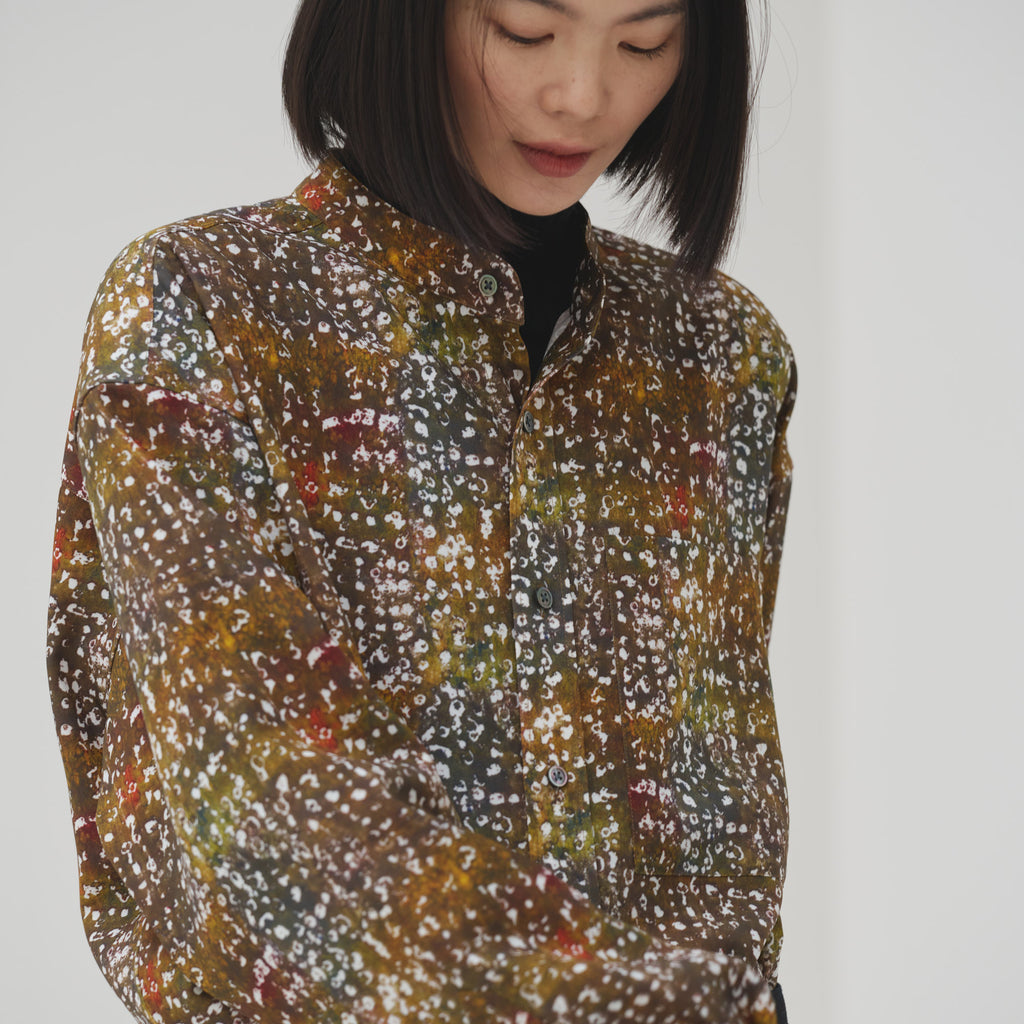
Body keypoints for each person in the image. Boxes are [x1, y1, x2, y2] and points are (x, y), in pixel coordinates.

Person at [46, 1, 795, 1021]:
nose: (583, 95)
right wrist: (653, 1000)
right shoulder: (204, 307)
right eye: (526, 28)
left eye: (643, 43)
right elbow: (271, 808)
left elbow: (724, 802)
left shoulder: (719, 356)